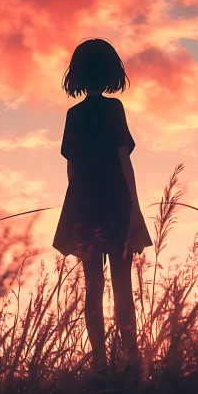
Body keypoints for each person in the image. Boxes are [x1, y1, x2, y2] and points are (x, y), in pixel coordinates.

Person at [53, 38, 152, 369]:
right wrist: (135, 208)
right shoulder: (113, 109)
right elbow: (124, 160)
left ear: (78, 74)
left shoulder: (73, 114)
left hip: (84, 203)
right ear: (110, 71)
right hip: (116, 203)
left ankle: (99, 363)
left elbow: (70, 167)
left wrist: (78, 206)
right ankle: (131, 360)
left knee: (92, 285)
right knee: (122, 286)